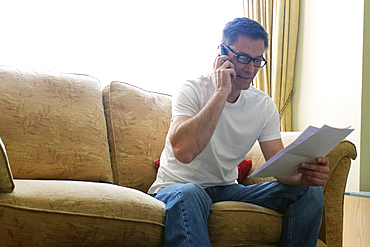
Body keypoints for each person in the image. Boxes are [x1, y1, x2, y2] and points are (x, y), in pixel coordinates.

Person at [148, 17, 330, 247]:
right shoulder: (192, 89)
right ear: (221, 53)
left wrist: (305, 175)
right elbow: (183, 152)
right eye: (243, 58)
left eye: (257, 60)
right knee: (190, 194)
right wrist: (221, 93)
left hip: (227, 189)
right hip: (176, 188)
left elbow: (281, 167)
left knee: (309, 191)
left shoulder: (263, 105)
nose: (250, 68)